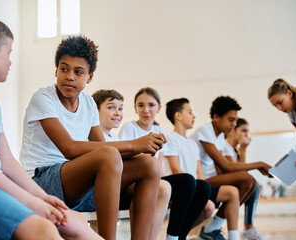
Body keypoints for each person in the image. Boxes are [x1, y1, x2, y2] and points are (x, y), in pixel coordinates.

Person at [0, 12, 101, 240]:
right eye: (9, 53)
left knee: (75, 221)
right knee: (43, 229)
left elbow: (6, 161)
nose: (11, 61)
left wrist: (42, 196)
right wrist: (31, 201)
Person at [19, 36, 166, 240]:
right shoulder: (43, 98)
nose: (69, 76)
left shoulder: (88, 103)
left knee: (149, 164)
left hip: (77, 183)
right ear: (56, 71)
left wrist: (140, 148)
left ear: (89, 77)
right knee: (108, 155)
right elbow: (68, 148)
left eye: (78, 72)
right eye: (64, 69)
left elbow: (102, 147)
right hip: (42, 180)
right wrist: (134, 144)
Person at [119, 87, 210, 240]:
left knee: (202, 186)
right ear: (135, 108)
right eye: (141, 105)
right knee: (187, 180)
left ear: (159, 108)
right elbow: (124, 161)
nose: (146, 110)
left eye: (151, 105)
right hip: (134, 182)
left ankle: (177, 236)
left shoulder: (159, 130)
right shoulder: (129, 127)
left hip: (154, 179)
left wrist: (168, 189)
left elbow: (159, 168)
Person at [92, 89, 172, 240]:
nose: (117, 113)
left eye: (120, 108)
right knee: (151, 167)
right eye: (111, 107)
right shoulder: (93, 136)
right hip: (104, 185)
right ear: (95, 111)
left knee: (165, 187)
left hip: (122, 183)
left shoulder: (115, 138)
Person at [190, 96, 272, 239]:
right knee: (246, 178)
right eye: (231, 119)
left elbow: (222, 171)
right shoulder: (205, 130)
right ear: (216, 117)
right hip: (195, 181)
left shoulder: (220, 137)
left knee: (251, 183)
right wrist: (259, 164)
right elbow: (225, 166)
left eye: (235, 120)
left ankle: (213, 227)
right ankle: (214, 229)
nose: (234, 124)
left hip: (207, 180)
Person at [164, 98, 241, 240]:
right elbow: (175, 169)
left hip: (194, 186)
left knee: (209, 203)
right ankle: (175, 235)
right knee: (207, 206)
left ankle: (181, 235)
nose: (194, 116)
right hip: (181, 188)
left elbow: (200, 173)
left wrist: (202, 193)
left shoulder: (192, 144)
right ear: (178, 116)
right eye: (190, 112)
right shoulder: (170, 139)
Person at [224, 118, 272, 240]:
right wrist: (244, 149)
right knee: (252, 183)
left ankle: (249, 229)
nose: (246, 135)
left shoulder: (234, 150)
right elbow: (239, 174)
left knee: (254, 185)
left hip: (230, 183)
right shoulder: (225, 146)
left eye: (248, 132)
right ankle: (248, 229)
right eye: (243, 131)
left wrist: (242, 150)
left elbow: (242, 174)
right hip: (220, 184)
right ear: (232, 131)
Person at [268, 78, 296, 166]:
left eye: (280, 102)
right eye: (275, 106)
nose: (279, 108)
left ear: (289, 93)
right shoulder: (291, 113)